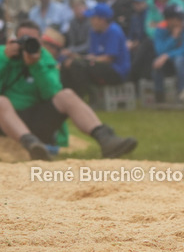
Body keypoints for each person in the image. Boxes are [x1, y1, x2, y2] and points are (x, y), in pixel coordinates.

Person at [0, 20, 136, 160]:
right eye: (22, 39)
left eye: (31, 40)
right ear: (13, 40)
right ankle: (31, 144)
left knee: (66, 95)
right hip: (5, 122)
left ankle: (105, 138)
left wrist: (36, 66)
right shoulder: (2, 54)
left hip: (37, 120)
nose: (26, 44)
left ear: (39, 41)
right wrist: (4, 59)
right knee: (1, 101)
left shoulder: (43, 57)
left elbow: (51, 92)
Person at [60, 4, 131, 99]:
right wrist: (78, 57)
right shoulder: (94, 32)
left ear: (102, 20)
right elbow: (93, 55)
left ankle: (86, 97)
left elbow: (108, 59)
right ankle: (68, 96)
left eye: (93, 18)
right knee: (67, 63)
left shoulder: (113, 31)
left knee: (77, 65)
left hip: (116, 70)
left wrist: (84, 60)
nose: (90, 21)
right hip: (97, 65)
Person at [151, 5, 184, 102]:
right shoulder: (160, 29)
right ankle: (159, 98)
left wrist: (168, 55)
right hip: (171, 62)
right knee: (157, 63)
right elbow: (160, 51)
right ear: (169, 20)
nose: (182, 21)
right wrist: (173, 37)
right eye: (179, 19)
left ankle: (182, 96)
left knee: (179, 60)